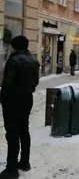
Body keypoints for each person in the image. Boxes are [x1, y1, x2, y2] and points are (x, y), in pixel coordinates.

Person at [0, 36, 40, 179]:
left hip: (13, 102)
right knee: (24, 130)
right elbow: (36, 81)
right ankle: (24, 162)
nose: (9, 48)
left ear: (15, 46)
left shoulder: (13, 60)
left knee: (12, 134)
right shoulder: (33, 60)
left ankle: (11, 168)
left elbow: (8, 84)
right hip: (26, 99)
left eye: (11, 46)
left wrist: (3, 99)